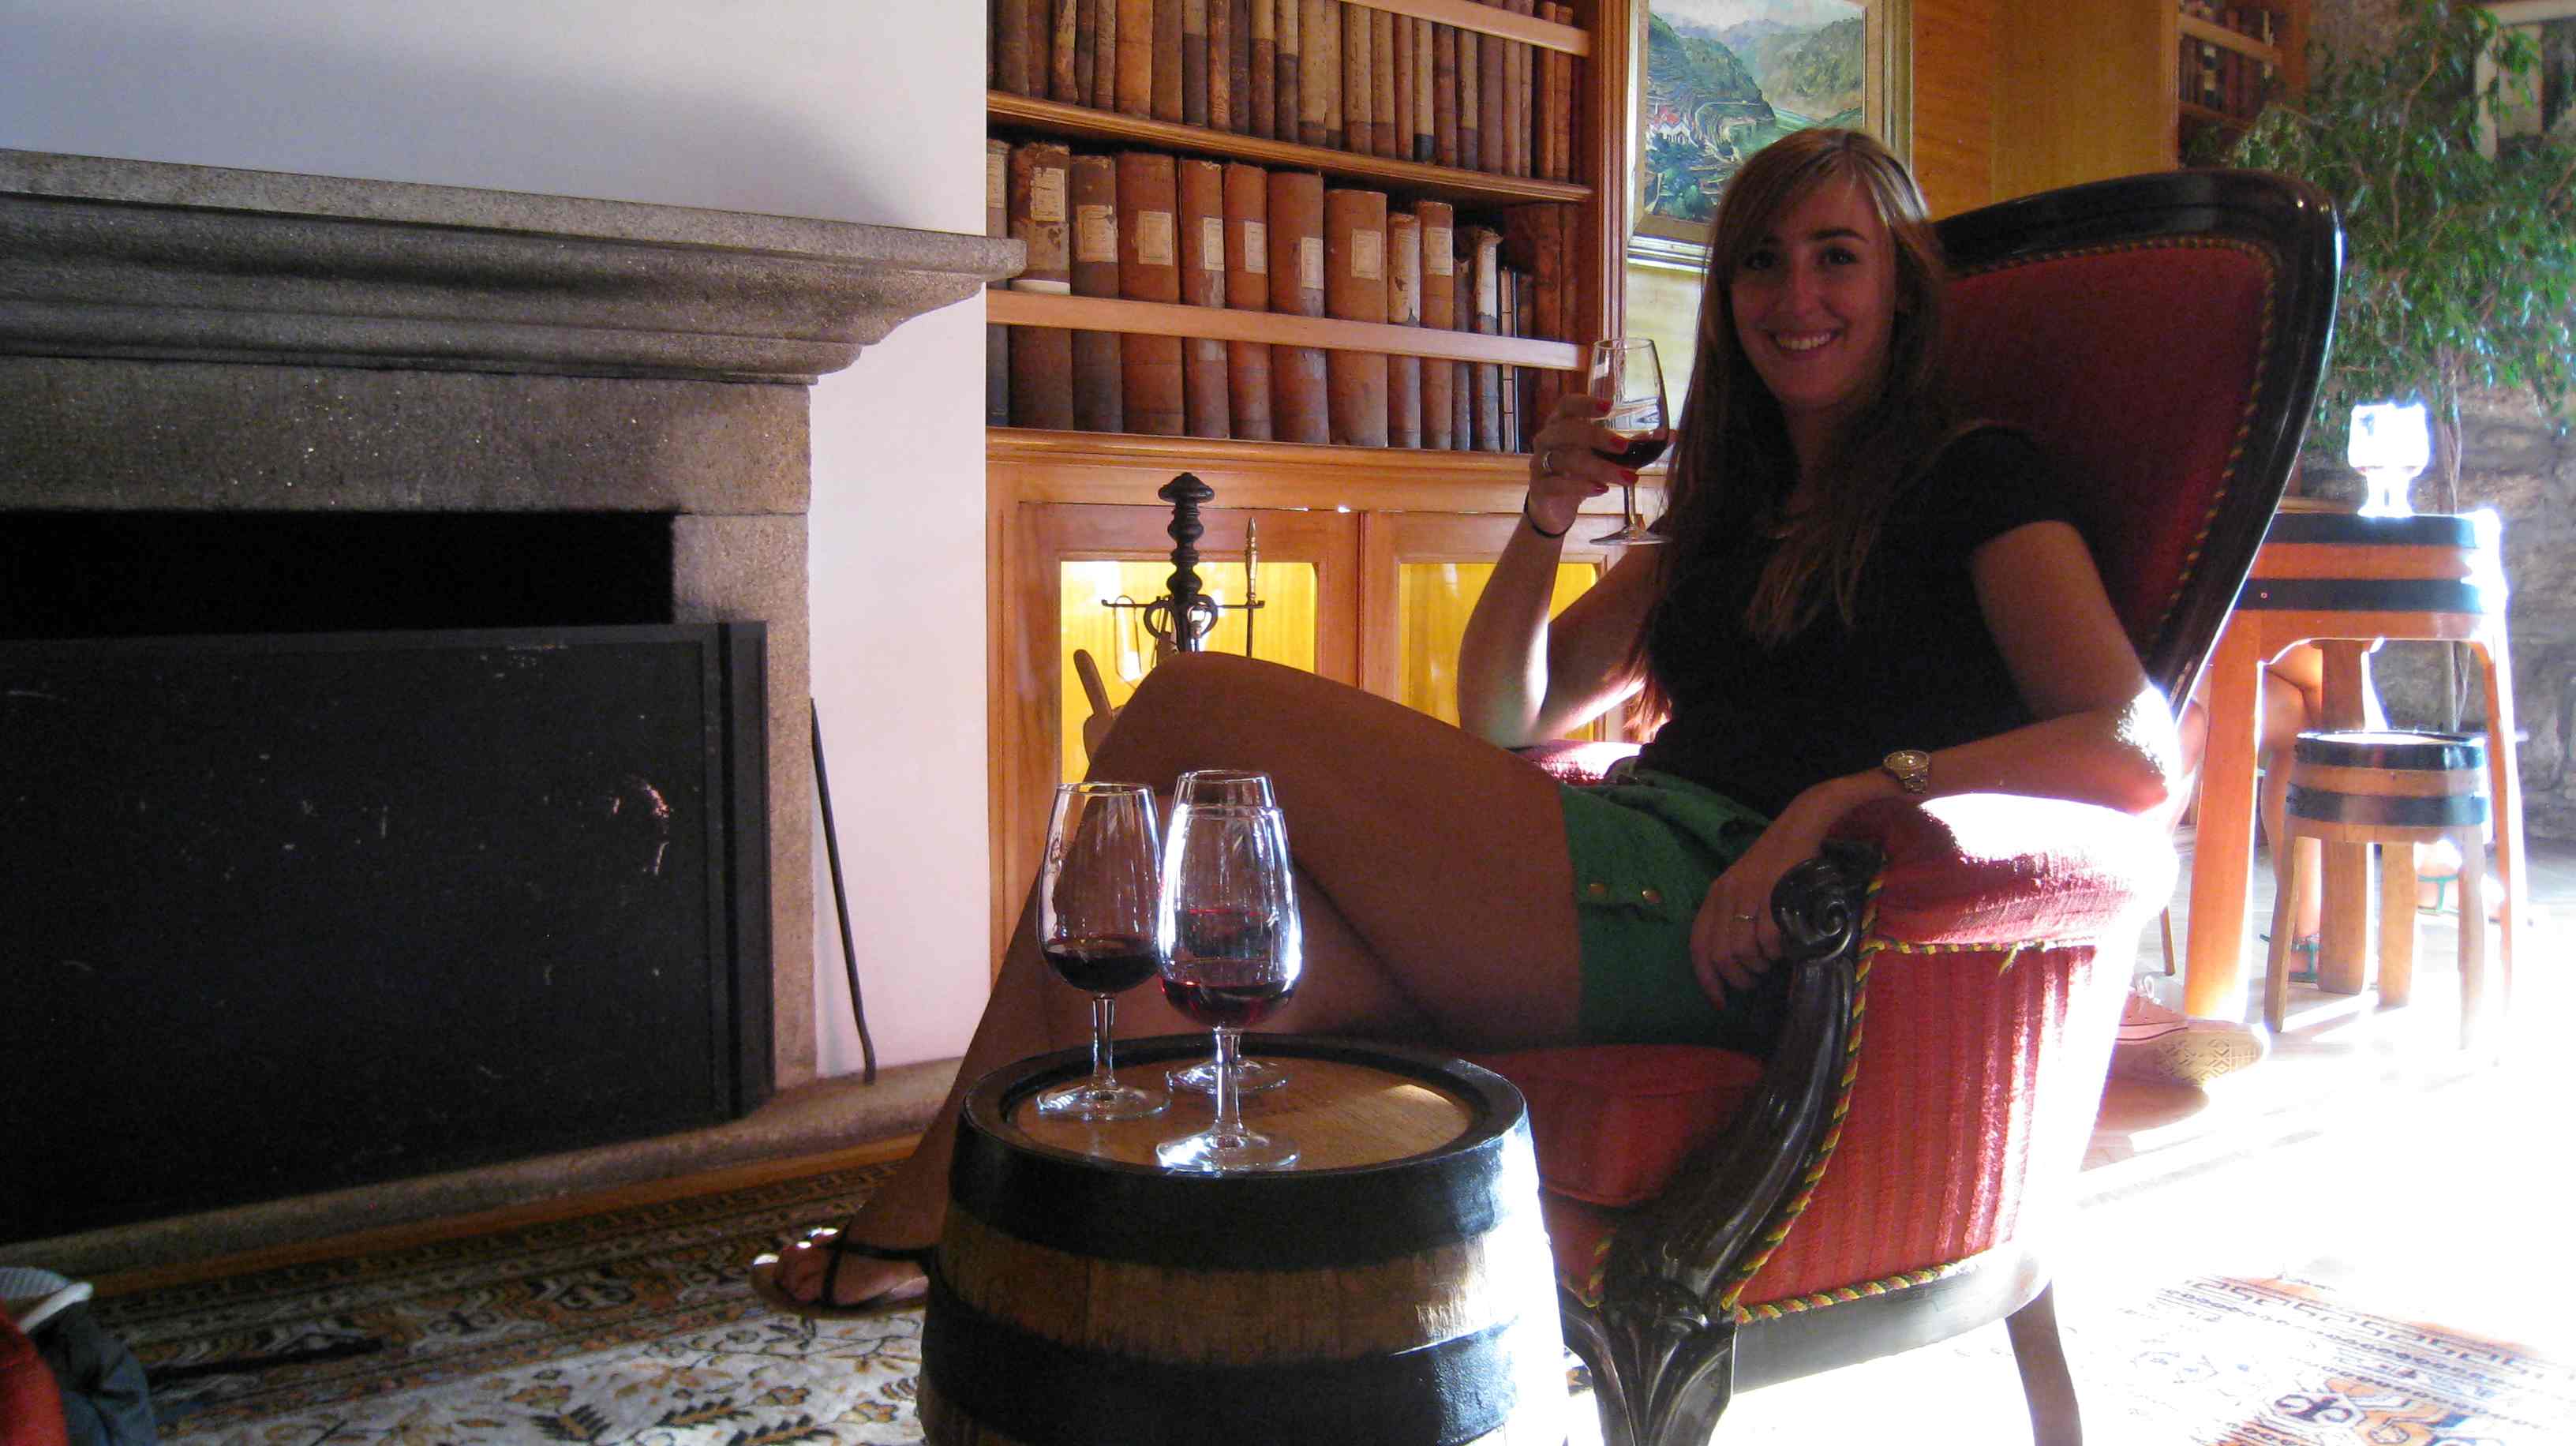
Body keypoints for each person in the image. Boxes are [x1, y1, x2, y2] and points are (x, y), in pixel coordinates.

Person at [751, 128, 2185, 1317]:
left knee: (1189, 697)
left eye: (1836, 257)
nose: (1792, 294)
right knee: (1159, 976)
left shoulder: (1977, 479)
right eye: (1761, 260)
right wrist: (1546, 515)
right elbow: (1510, 708)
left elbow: (2132, 748)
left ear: (1903, 290)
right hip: (1615, 852)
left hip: (1723, 907)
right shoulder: (1731, 515)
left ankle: (928, 1205)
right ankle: (1051, 1281)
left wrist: (1846, 801)